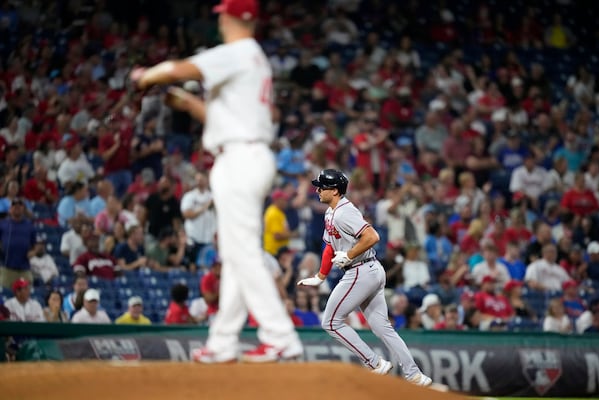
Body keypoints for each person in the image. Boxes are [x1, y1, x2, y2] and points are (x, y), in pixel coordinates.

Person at [132, 0, 302, 363]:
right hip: (244, 152)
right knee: (234, 253)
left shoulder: (238, 51)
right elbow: (226, 117)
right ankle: (224, 342)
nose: (219, 18)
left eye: (224, 13)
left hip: (240, 159)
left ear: (236, 17)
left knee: (241, 252)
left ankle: (280, 335)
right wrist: (187, 103)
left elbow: (181, 68)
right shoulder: (253, 58)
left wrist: (146, 76)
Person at [297, 169, 432, 386]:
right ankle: (414, 374)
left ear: (334, 190)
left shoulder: (344, 211)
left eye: (321, 186)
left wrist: (349, 254)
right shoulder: (330, 212)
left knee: (331, 322)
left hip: (360, 270)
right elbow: (330, 247)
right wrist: (321, 276)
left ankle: (375, 363)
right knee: (382, 327)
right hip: (369, 269)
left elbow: (372, 236)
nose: (317, 189)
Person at [0, 198, 37, 289]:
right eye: (14, 205)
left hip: (24, 268)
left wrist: (33, 252)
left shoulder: (30, 226)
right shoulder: (2, 224)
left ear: (23, 209)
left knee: (27, 295)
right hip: (6, 269)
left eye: (19, 205)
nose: (17, 207)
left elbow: (35, 245)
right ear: (10, 209)